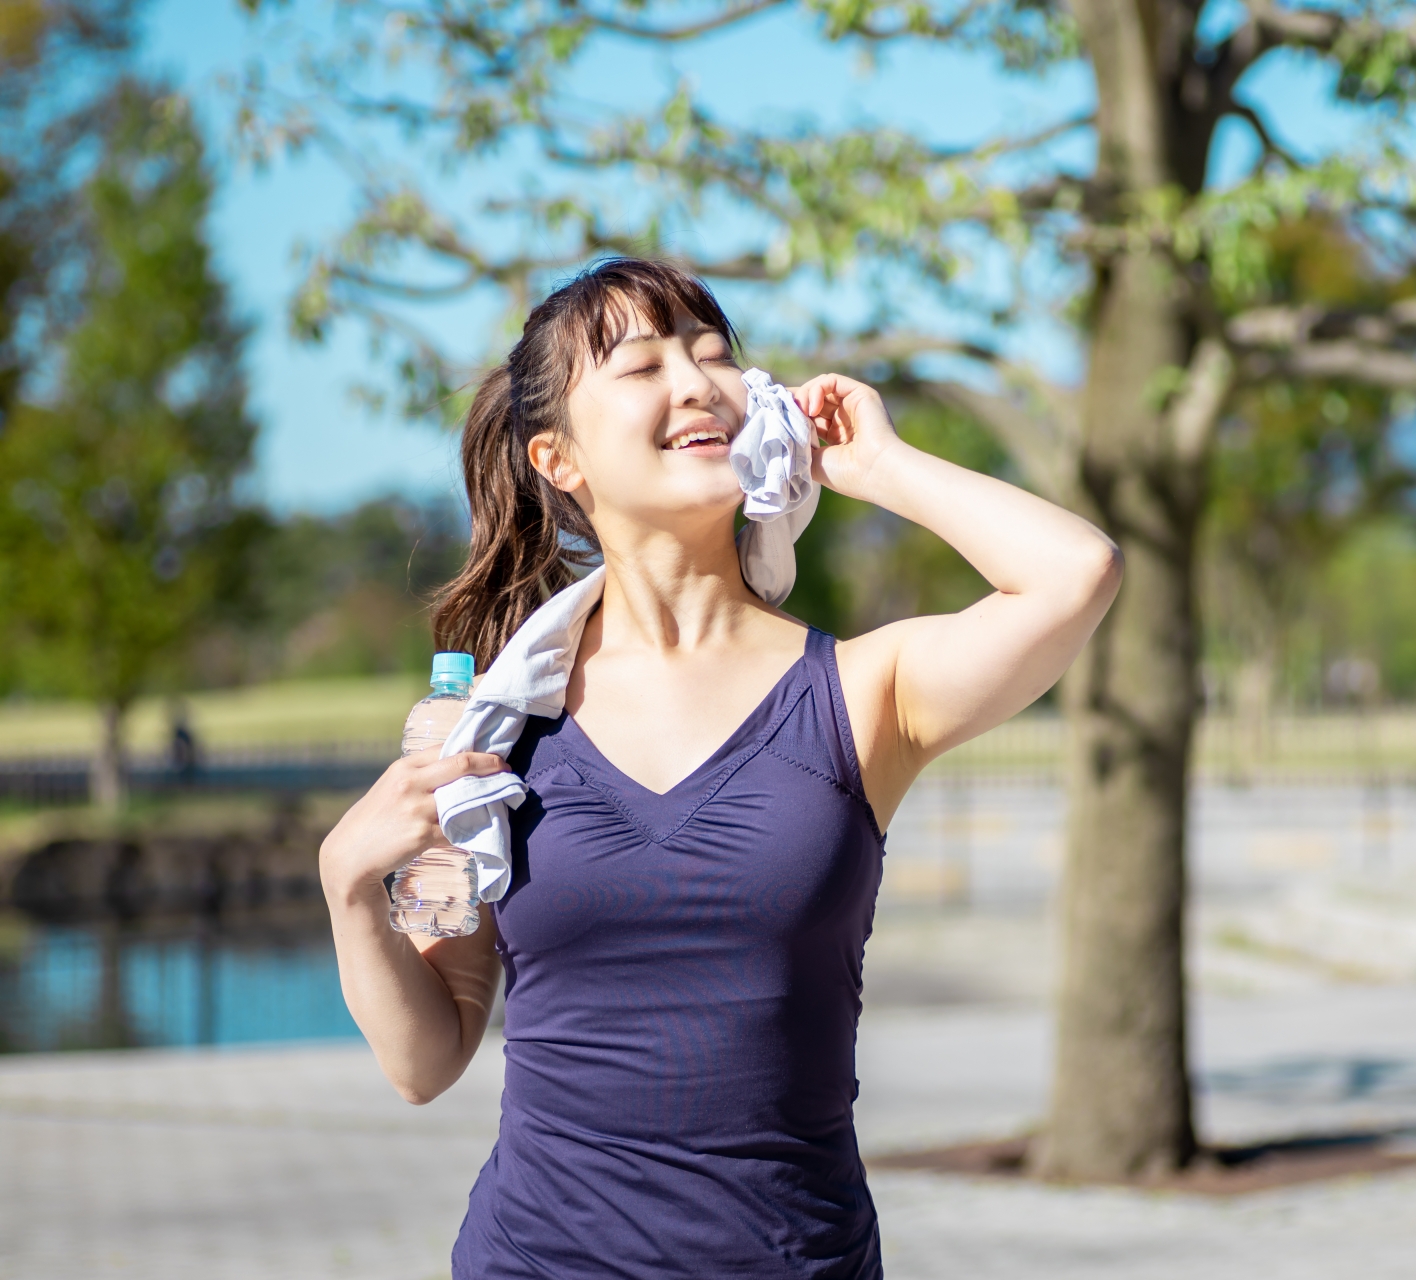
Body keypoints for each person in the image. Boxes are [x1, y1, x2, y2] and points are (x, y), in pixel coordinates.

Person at [317, 258, 1121, 1279]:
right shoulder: (484, 732)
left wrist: (877, 466)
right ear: (558, 456)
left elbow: (1076, 574)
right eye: (641, 364)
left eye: (713, 355)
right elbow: (426, 1058)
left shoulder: (861, 694)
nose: (697, 382)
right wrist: (349, 887)